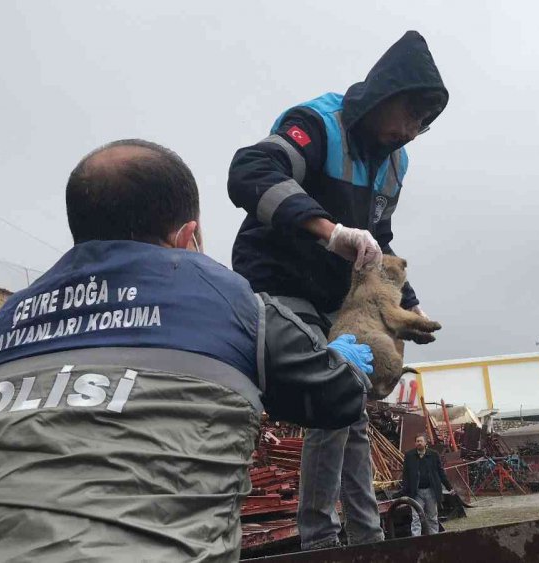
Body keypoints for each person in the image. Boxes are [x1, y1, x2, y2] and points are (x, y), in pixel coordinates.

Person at [0, 139, 375, 562]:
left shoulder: (8, 317)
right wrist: (345, 367)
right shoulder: (225, 297)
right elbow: (333, 398)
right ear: (186, 235)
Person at [227, 30, 449, 549]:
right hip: (275, 278)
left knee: (350, 402)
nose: (414, 131)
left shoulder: (396, 162)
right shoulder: (316, 125)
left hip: (333, 296)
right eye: (412, 116)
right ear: (385, 95)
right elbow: (250, 171)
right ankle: (319, 540)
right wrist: (329, 231)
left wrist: (409, 304)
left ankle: (367, 536)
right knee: (334, 383)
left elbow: (381, 239)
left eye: (425, 125)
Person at [401, 434, 453, 536]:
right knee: (416, 517)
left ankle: (433, 537)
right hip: (416, 492)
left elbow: (441, 472)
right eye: (417, 441)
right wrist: (405, 490)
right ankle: (416, 539)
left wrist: (449, 487)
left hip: (431, 491)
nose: (419, 443)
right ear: (415, 443)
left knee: (432, 517)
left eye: (421, 441)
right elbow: (405, 474)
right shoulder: (409, 455)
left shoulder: (433, 455)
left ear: (425, 443)